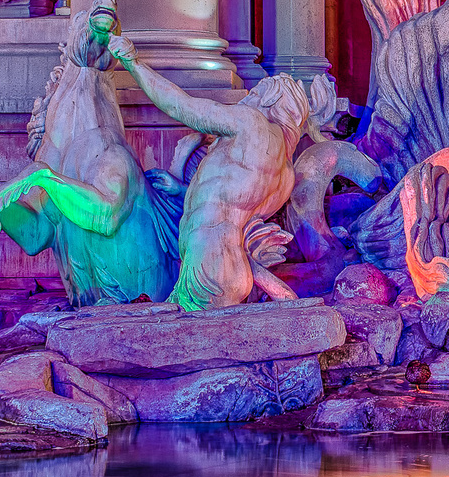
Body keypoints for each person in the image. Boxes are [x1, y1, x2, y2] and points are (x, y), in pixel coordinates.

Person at [109, 33, 310, 309]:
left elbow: (181, 105)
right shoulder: (285, 174)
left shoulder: (251, 123)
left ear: (271, 98)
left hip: (209, 260)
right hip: (230, 261)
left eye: (256, 92)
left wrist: (133, 63)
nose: (249, 98)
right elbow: (232, 202)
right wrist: (181, 190)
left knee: (177, 343)